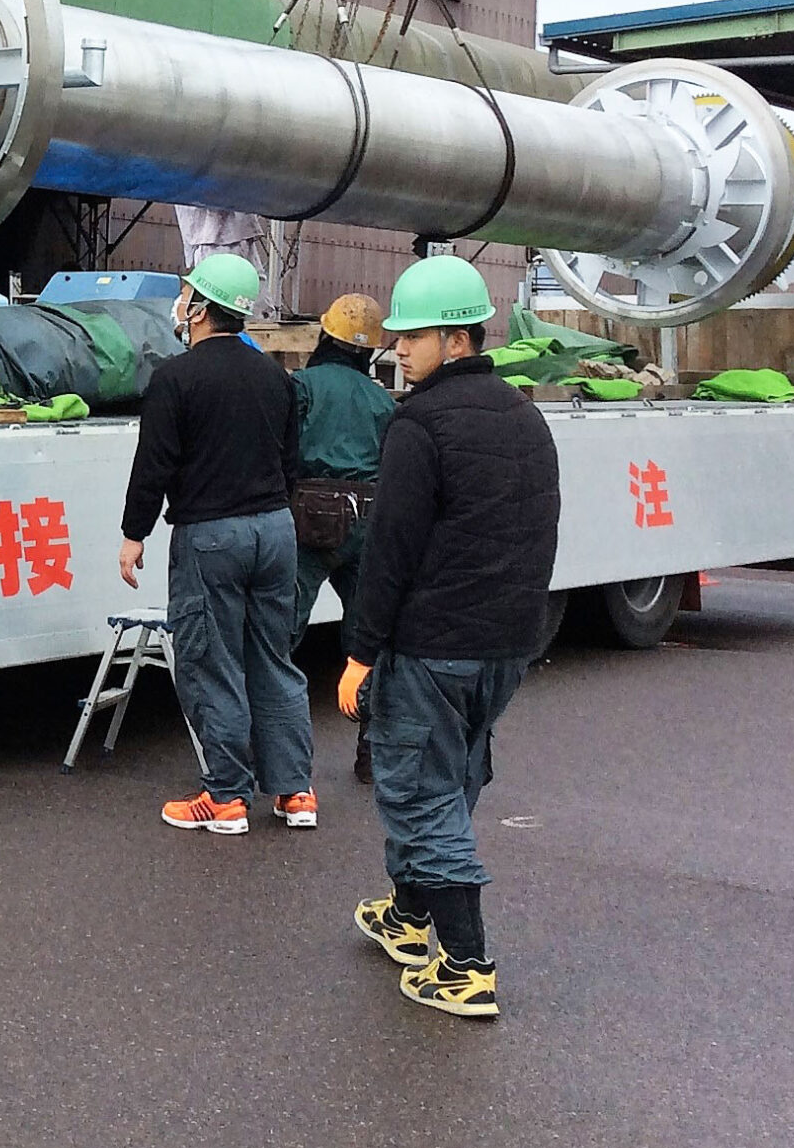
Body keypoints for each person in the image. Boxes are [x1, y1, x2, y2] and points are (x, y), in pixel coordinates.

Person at [338, 255, 559, 1018]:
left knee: (420, 793)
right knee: (449, 778)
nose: (397, 348)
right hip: (506, 643)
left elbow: (389, 550)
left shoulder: (419, 424)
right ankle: (408, 917)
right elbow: (541, 532)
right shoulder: (526, 418)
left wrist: (360, 653)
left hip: (431, 644)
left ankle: (466, 966)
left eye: (411, 337)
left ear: (454, 341)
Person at [118, 252, 314, 837]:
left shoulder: (176, 378)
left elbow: (153, 466)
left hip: (212, 536)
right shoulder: (277, 378)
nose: (179, 304)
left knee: (211, 661)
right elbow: (290, 462)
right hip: (276, 530)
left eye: (184, 295)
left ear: (202, 309)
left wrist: (133, 535)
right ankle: (294, 791)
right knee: (273, 659)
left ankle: (227, 796)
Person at [289, 294, 396, 785]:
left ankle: (271, 748)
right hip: (368, 521)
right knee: (366, 636)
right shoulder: (381, 400)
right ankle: (371, 751)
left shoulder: (303, 387)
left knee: (279, 632)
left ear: (324, 336)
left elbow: (284, 449)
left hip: (309, 520)